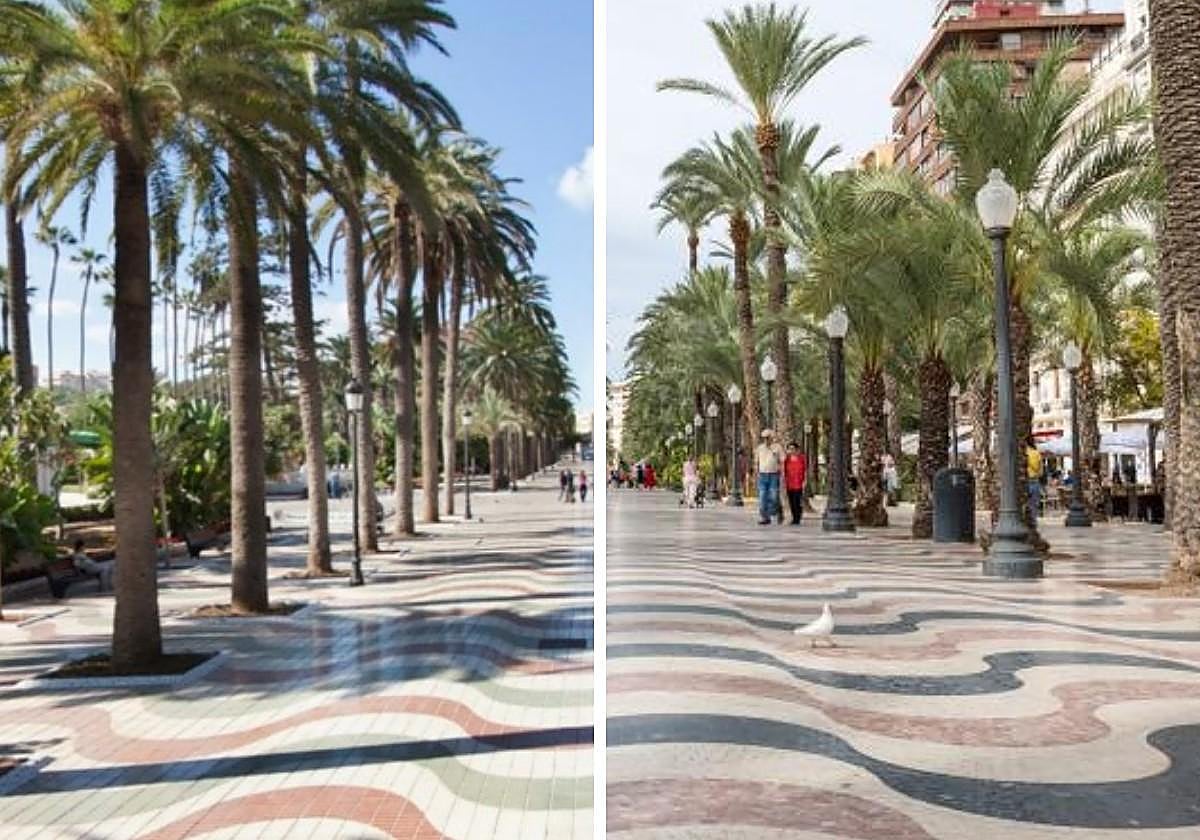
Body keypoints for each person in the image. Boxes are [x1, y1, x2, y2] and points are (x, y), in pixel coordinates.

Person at [755, 429, 784, 526]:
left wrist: (782, 472)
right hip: (762, 475)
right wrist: (757, 473)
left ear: (772, 438)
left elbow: (782, 460)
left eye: (768, 437)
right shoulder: (760, 448)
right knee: (762, 497)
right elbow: (757, 461)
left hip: (774, 475)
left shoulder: (777, 447)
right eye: (764, 438)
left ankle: (778, 511)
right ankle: (765, 517)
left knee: (774, 496)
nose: (766, 440)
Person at [783, 443, 807, 525]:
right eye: (789, 449)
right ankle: (794, 517)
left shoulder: (801, 459)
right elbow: (784, 471)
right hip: (789, 483)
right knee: (791, 502)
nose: (791, 450)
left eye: (793, 449)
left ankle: (797, 517)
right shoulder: (787, 460)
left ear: (797, 450)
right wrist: (784, 482)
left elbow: (805, 470)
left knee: (797, 501)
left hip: (798, 483)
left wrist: (805, 481)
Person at [1026, 436, 1043, 524]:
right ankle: (1033, 520)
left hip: (1026, 480)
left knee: (1026, 502)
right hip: (1035, 479)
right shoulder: (1037, 453)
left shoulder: (1025, 453)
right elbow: (1041, 470)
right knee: (1034, 502)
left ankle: (1027, 520)